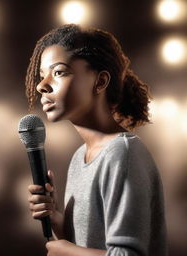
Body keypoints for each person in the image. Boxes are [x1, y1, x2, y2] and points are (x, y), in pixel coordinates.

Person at [26, 24, 167, 256]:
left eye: (59, 72)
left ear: (100, 82)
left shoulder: (122, 152)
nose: (42, 85)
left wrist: (67, 252)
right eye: (42, 76)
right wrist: (57, 221)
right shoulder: (78, 158)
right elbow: (90, 243)